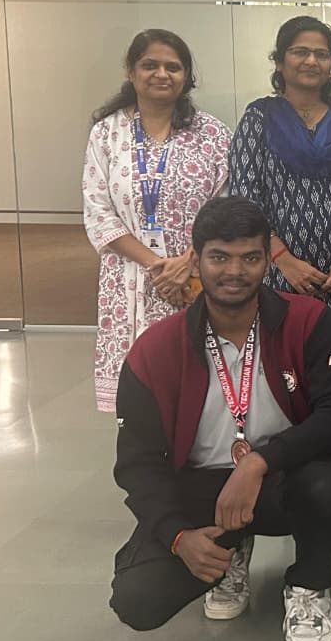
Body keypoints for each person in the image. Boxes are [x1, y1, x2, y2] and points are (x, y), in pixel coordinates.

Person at [108, 196, 331, 641]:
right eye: (220, 257)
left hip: (282, 478)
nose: (235, 272)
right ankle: (231, 548)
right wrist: (177, 536)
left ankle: (309, 586)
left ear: (267, 260)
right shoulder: (155, 350)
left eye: (250, 258)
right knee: (138, 600)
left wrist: (260, 462)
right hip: (200, 489)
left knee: (325, 485)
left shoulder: (307, 320)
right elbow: (136, 465)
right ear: (196, 259)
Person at [229, 16, 331, 512]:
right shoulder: (259, 120)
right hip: (282, 278)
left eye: (321, 53)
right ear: (279, 61)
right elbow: (246, 200)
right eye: (300, 51)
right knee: (291, 374)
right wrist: (284, 261)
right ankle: (292, 469)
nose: (311, 61)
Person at [83, 29, 230, 412]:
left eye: (173, 67)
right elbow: (98, 212)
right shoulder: (107, 134)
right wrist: (158, 266)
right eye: (150, 65)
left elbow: (226, 206)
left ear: (186, 76)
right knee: (141, 398)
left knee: (200, 390)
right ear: (131, 72)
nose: (161, 74)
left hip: (196, 277)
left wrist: (188, 261)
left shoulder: (212, 134)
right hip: (128, 279)